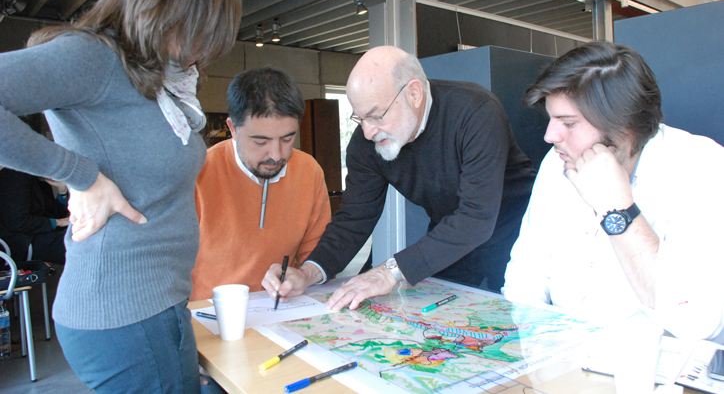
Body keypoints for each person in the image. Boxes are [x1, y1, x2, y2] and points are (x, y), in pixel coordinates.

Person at [0, 0, 242, 393]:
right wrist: (81, 176)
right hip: (124, 313)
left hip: (153, 305)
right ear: (159, 3)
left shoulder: (152, 80)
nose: (202, 50)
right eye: (197, 30)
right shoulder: (93, 58)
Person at [263, 45, 537, 311]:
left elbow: (476, 216)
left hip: (518, 235)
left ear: (414, 93)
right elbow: (354, 219)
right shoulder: (366, 143)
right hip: (447, 239)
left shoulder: (475, 111)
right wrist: (308, 272)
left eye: (376, 116)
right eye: (360, 119)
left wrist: (389, 271)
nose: (369, 132)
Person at [502, 42, 724, 343]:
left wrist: (618, 207)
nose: (549, 136)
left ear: (624, 129)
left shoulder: (701, 167)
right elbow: (527, 272)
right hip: (557, 359)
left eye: (569, 123)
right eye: (552, 119)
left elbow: (697, 321)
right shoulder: (556, 162)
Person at [190, 67, 331, 300]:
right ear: (232, 129)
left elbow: (315, 257)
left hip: (283, 312)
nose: (276, 155)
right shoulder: (197, 172)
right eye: (260, 141)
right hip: (209, 318)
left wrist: (303, 275)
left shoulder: (309, 171)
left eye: (287, 138)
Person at [0, 166, 69, 265]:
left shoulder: (38, 179)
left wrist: (62, 192)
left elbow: (54, 215)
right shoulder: (16, 176)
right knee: (86, 245)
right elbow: (19, 223)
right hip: (24, 243)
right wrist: (59, 222)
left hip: (39, 234)